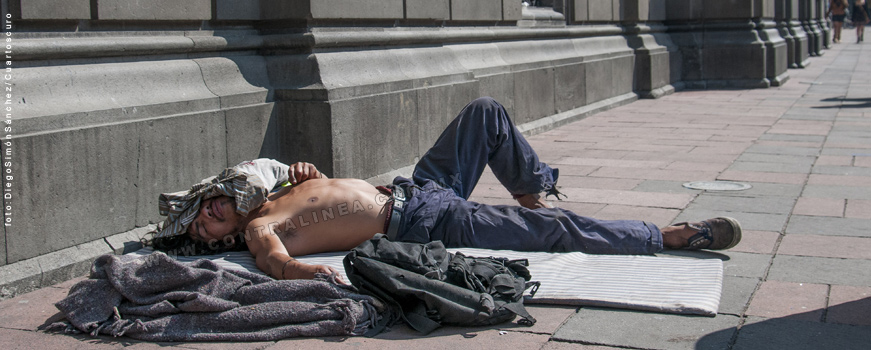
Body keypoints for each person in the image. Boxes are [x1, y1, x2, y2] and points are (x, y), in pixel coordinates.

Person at [151, 97, 742, 282]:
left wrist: (308, 174)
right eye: (206, 228)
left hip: (417, 188)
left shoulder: (272, 188)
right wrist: (313, 274)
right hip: (423, 224)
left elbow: (312, 193)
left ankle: (532, 185)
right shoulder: (258, 228)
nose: (213, 216)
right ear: (221, 239)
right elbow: (276, 263)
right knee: (552, 235)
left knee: (484, 113)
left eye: (206, 208)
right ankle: (665, 235)